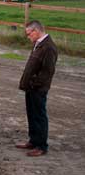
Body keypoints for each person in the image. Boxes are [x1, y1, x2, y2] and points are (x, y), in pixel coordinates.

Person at [16, 20, 58, 157]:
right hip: (31, 87)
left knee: (39, 116)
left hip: (38, 89)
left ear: (36, 31)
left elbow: (48, 71)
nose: (28, 37)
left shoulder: (49, 47)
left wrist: (34, 84)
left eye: (29, 34)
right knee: (32, 114)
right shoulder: (38, 44)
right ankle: (33, 141)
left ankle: (41, 145)